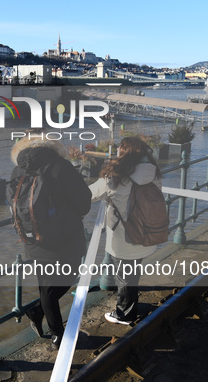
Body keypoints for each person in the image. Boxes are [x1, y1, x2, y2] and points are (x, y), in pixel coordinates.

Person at [10, 132, 92, 349]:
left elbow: (12, 201)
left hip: (32, 238)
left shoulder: (18, 169)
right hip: (65, 236)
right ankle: (58, 336)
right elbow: (83, 202)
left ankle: (39, 312)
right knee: (69, 276)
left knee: (46, 286)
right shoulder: (61, 165)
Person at [89, 137, 162, 325]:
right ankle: (130, 305)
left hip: (124, 237)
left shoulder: (115, 177)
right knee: (132, 272)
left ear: (124, 153)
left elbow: (89, 194)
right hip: (147, 232)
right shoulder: (153, 173)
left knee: (124, 277)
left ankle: (125, 314)